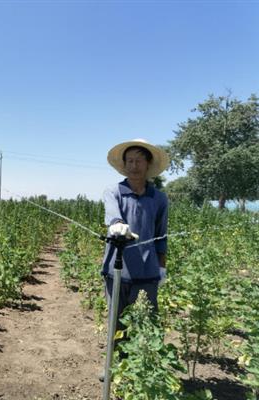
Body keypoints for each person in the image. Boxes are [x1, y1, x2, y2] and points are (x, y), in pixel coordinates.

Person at [98, 138, 169, 381]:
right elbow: (112, 216)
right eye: (129, 160)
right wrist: (117, 226)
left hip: (148, 273)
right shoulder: (114, 191)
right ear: (124, 164)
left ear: (148, 165)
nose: (134, 165)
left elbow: (162, 236)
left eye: (139, 160)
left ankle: (141, 373)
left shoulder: (159, 199)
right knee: (116, 323)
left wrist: (162, 268)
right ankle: (114, 369)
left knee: (145, 323)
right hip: (116, 271)